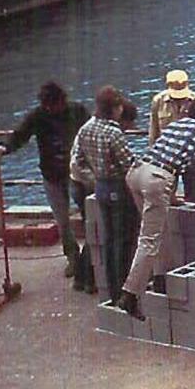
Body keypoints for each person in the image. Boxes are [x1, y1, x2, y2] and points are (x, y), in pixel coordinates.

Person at [116, 99, 195, 320]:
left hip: (137, 172)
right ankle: (130, 294)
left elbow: (166, 157)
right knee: (149, 238)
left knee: (158, 232)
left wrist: (171, 197)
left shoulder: (175, 125)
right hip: (156, 180)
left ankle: (161, 279)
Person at [0, 81, 90, 278]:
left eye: (54, 105)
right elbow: (20, 135)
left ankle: (90, 257)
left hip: (77, 173)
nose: (51, 109)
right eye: (48, 106)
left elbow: (91, 130)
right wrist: (4, 147)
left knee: (89, 214)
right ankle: (73, 257)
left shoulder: (77, 111)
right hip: (51, 174)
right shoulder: (37, 115)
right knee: (62, 220)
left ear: (62, 101)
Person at [69, 86, 137, 302]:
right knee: (123, 239)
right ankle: (123, 289)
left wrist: (95, 176)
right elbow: (129, 165)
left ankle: (110, 288)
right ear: (115, 108)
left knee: (107, 239)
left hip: (100, 187)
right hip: (118, 187)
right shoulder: (114, 133)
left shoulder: (86, 129)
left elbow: (78, 160)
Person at [149, 69, 195, 202]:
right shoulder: (158, 101)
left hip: (191, 155)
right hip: (167, 156)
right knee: (166, 192)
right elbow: (154, 129)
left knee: (193, 192)